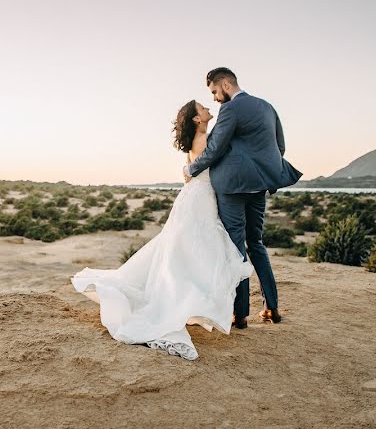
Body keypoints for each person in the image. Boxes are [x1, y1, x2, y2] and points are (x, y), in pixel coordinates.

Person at [71, 100, 254, 360]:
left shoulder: (203, 137)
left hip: (195, 197)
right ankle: (184, 302)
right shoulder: (203, 140)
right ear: (196, 119)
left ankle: (190, 301)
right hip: (201, 198)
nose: (207, 109)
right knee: (195, 248)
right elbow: (214, 166)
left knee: (186, 248)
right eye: (203, 108)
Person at [184, 67, 302, 327]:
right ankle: (272, 308)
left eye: (215, 91)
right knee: (256, 244)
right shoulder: (268, 107)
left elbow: (215, 148)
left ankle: (240, 314)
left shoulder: (231, 109)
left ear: (225, 84)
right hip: (259, 187)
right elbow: (279, 146)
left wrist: (190, 169)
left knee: (236, 248)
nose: (215, 98)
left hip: (233, 187)